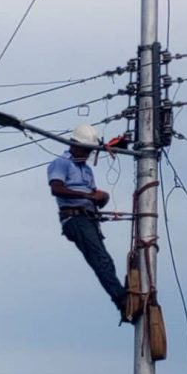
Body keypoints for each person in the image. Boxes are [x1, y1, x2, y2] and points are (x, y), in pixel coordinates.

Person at [47, 124, 127, 318]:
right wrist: (89, 197)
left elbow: (93, 196)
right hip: (74, 218)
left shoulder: (87, 170)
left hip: (88, 218)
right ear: (74, 144)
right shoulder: (61, 163)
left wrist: (101, 198)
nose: (87, 154)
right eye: (85, 150)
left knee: (106, 261)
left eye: (90, 151)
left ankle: (122, 299)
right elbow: (56, 189)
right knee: (100, 260)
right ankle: (123, 302)